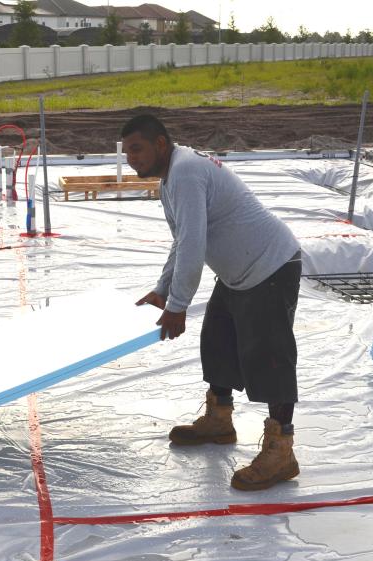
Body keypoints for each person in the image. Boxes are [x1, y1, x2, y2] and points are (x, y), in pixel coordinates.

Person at [122, 113, 303, 492]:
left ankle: (281, 451)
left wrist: (178, 305)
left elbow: (194, 244)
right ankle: (219, 421)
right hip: (238, 273)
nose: (131, 159)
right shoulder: (171, 178)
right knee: (217, 342)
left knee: (270, 358)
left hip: (270, 265)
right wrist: (163, 288)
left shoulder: (185, 173)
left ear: (160, 144)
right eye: (126, 153)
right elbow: (182, 240)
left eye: (137, 149)